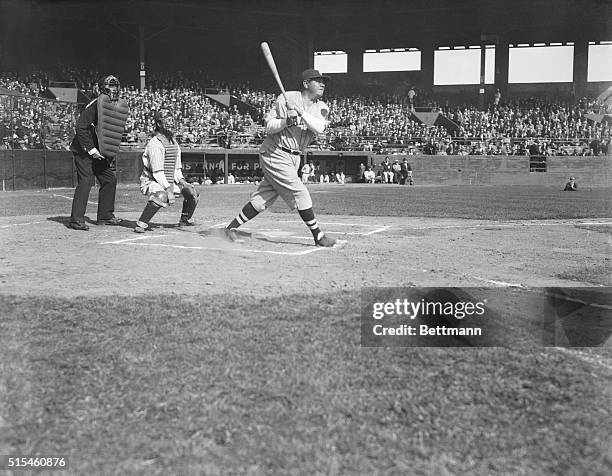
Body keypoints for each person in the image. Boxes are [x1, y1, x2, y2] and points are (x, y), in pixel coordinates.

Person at [224, 69, 336, 247]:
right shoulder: (285, 98)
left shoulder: (321, 106)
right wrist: (286, 121)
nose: (322, 84)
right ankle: (318, 236)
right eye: (317, 80)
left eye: (324, 81)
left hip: (295, 157)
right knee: (300, 192)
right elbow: (269, 126)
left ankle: (229, 229)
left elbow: (319, 128)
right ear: (306, 84)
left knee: (263, 198)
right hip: (275, 151)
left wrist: (300, 113)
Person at [68, 75, 126, 230]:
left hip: (98, 152)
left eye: (116, 86)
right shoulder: (95, 104)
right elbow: (80, 127)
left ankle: (105, 216)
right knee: (86, 182)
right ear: (103, 88)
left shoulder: (113, 106)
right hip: (83, 151)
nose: (114, 89)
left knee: (109, 180)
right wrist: (91, 150)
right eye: (111, 86)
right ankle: (76, 220)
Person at [134, 109, 199, 233]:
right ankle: (141, 223)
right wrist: (169, 190)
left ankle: (185, 219)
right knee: (161, 196)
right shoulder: (155, 144)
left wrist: (184, 183)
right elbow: (157, 172)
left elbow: (176, 169)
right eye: (167, 121)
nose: (171, 124)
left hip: (167, 180)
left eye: (171, 120)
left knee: (192, 191)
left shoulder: (174, 143)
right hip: (151, 180)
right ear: (159, 124)